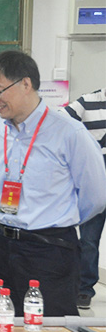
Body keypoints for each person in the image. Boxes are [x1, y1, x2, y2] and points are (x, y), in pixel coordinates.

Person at [0, 50, 106, 317]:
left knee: (49, 329)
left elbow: (96, 197)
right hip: (1, 245)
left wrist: (56, 221)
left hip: (48, 250)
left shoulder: (69, 132)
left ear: (26, 84)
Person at [59, 87, 106, 309]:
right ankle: (84, 289)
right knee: (89, 239)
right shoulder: (87, 101)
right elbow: (59, 121)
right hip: (96, 176)